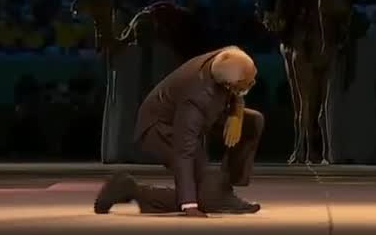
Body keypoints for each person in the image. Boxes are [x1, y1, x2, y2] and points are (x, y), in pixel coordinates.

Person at [94, 47, 263, 216]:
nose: (253, 83)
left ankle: (223, 187)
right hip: (160, 129)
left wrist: (237, 115)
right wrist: (189, 205)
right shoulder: (195, 98)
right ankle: (130, 189)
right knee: (207, 197)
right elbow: (184, 152)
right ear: (227, 85)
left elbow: (237, 88)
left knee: (252, 121)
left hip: (206, 113)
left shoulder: (228, 58)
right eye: (247, 83)